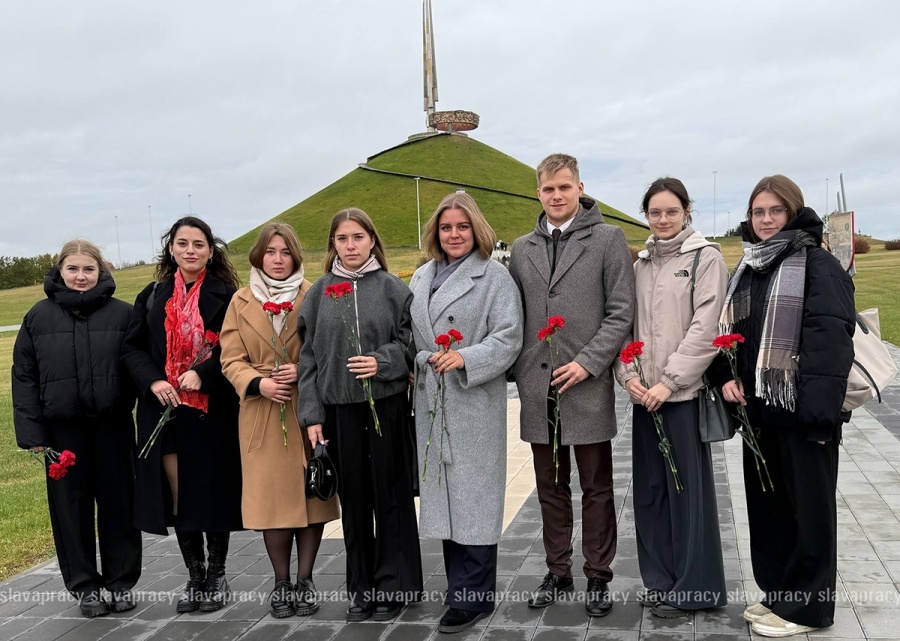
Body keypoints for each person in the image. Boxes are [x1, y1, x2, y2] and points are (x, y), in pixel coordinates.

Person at [715, 175, 854, 637]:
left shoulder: (817, 264)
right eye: (759, 212)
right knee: (771, 512)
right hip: (761, 414)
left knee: (810, 515)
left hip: (805, 418)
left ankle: (808, 609)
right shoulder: (749, 268)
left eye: (776, 211)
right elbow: (729, 336)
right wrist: (724, 378)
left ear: (792, 213)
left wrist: (821, 419)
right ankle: (779, 595)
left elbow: (829, 342)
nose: (767, 220)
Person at [508, 153, 634, 617]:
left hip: (586, 383)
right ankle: (557, 569)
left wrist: (588, 362)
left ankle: (597, 574)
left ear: (580, 187)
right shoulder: (522, 248)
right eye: (548, 189)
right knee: (550, 486)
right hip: (538, 385)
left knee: (597, 486)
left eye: (564, 187)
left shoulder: (608, 239)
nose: (556, 196)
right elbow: (514, 314)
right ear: (538, 192)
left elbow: (621, 310)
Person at [298, 208, 423, 623]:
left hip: (385, 408)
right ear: (332, 244)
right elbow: (308, 360)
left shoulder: (392, 289)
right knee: (353, 503)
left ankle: (395, 584)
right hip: (339, 414)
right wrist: (312, 415)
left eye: (357, 237)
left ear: (372, 240)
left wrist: (381, 362)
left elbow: (409, 345)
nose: (350, 246)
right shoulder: (318, 294)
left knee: (390, 496)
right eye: (341, 239)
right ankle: (361, 589)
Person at [409, 192, 523, 634]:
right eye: (445, 227)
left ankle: (471, 596)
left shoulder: (494, 277)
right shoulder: (420, 276)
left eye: (462, 227)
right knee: (445, 501)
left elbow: (509, 336)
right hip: (431, 402)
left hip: (472, 401)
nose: (454, 234)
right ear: (435, 232)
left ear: (476, 229)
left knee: (475, 499)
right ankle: (462, 587)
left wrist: (466, 358)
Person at [614, 178, 728, 617]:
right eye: (654, 213)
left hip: (682, 397)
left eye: (671, 212)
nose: (662, 220)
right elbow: (626, 324)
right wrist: (629, 377)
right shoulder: (640, 264)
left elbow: (706, 327)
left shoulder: (705, 258)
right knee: (651, 492)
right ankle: (660, 580)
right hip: (645, 397)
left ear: (686, 212)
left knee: (688, 495)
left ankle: (695, 588)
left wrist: (671, 382)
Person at [12, 240, 142, 618]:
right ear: (60, 271)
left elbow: (138, 366)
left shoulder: (123, 315)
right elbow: (24, 376)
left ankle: (120, 582)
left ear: (101, 271)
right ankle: (85, 587)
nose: (81, 277)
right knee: (72, 510)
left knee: (119, 506)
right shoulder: (38, 316)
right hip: (62, 433)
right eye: (74, 269)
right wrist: (33, 435)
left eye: (89, 269)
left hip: (113, 427)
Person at [122, 216, 243, 613]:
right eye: (183, 243)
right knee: (180, 495)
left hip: (211, 412)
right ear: (171, 248)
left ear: (211, 250)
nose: (190, 250)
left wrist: (203, 374)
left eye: (199, 244)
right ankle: (195, 576)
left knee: (213, 491)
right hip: (166, 411)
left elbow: (237, 348)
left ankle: (218, 576)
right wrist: (155, 380)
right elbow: (132, 349)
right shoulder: (153, 296)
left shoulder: (227, 295)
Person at [220, 223, 340, 618]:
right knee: (272, 500)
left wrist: (300, 370)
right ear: (259, 255)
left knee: (312, 497)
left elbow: (326, 348)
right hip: (262, 414)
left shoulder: (314, 294)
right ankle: (281, 582)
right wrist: (257, 382)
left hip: (308, 411)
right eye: (270, 251)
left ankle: (305, 580)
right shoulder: (240, 300)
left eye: (285, 252)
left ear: (295, 256)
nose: (277, 258)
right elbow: (230, 359)